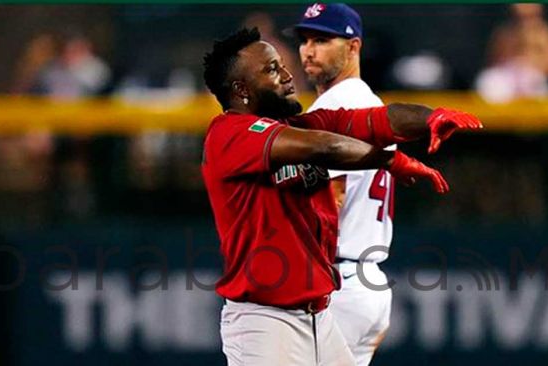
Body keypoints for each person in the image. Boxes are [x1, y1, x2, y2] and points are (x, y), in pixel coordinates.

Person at [201, 27, 481, 366]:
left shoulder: (301, 124)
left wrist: (430, 117)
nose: (288, 74)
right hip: (265, 322)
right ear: (242, 89)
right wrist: (391, 160)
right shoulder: (229, 134)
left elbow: (378, 120)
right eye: (272, 69)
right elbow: (327, 147)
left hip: (321, 317)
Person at [292, 3, 396, 365]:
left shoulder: (334, 107)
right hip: (370, 283)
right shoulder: (374, 107)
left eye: (322, 40)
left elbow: (330, 200)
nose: (308, 50)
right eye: (305, 40)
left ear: (354, 47)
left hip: (339, 280)